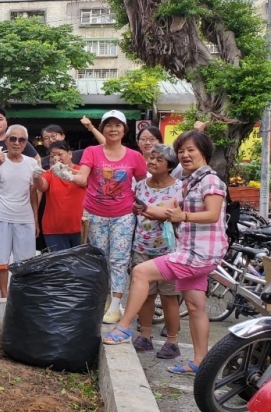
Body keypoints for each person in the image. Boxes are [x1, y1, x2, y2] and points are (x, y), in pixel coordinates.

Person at [103, 130, 226, 377]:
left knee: (140, 272)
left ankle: (123, 327)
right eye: (181, 151)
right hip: (195, 252)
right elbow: (166, 210)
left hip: (199, 253)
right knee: (195, 305)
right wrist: (144, 207)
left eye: (191, 150)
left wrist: (185, 216)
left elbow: (212, 213)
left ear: (204, 152)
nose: (185, 155)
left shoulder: (210, 181)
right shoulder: (190, 182)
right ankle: (200, 361)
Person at [68, 110, 147, 324]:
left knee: (119, 259)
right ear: (102, 129)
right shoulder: (92, 151)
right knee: (101, 258)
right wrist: (67, 174)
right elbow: (83, 177)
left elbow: (144, 185)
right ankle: (102, 300)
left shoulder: (135, 156)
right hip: (95, 214)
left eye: (118, 125)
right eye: (109, 125)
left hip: (123, 214)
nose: (113, 129)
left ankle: (115, 305)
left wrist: (144, 206)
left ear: (124, 130)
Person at [128, 144, 183, 359]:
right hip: (142, 245)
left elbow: (174, 214)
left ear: (169, 165)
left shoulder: (180, 187)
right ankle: (145, 336)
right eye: (151, 158)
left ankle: (172, 341)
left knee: (169, 296)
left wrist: (154, 212)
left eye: (159, 159)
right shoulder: (140, 186)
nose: (152, 162)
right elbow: (136, 212)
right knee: (146, 296)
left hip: (168, 250)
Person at [0, 125, 41, 298]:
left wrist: (36, 220)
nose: (17, 143)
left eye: (21, 139)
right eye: (13, 139)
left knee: (25, 261)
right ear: (7, 140)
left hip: (24, 217)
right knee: (0, 260)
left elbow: (33, 194)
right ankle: (4, 295)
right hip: (1, 214)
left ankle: (21, 295)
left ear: (26, 143)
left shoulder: (31, 163)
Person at [36, 141, 87, 252]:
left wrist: (68, 172)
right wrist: (36, 177)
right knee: (59, 267)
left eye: (60, 154)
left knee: (81, 265)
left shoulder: (82, 171)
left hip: (80, 227)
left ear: (70, 154)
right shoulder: (50, 172)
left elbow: (84, 181)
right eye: (53, 156)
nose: (57, 158)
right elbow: (42, 186)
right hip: (54, 229)